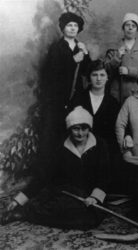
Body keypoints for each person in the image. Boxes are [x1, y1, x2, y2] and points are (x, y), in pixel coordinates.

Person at [0, 106, 110, 230]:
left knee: (90, 220)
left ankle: (33, 213)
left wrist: (94, 197)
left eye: (84, 128)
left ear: (89, 128)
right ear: (69, 129)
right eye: (76, 129)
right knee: (65, 207)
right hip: (70, 194)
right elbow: (43, 176)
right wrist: (19, 200)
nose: (80, 133)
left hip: (92, 195)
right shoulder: (61, 148)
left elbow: (104, 175)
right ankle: (23, 213)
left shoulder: (100, 145)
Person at [39, 12, 92, 167]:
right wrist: (72, 60)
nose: (73, 28)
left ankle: (68, 176)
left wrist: (86, 54)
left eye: (75, 26)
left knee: (72, 137)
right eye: (69, 25)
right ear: (63, 28)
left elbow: (87, 71)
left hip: (75, 100)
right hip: (57, 100)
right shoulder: (56, 48)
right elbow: (52, 74)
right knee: (53, 138)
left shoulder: (80, 47)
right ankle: (50, 176)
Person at [69, 60, 121, 191]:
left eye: (102, 75)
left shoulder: (113, 102)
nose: (98, 79)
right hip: (81, 146)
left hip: (105, 151)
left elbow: (115, 132)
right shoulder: (79, 98)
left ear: (108, 77)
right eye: (94, 75)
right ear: (88, 78)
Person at [104, 13, 138, 103]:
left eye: (133, 26)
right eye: (127, 25)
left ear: (137, 29)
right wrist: (117, 57)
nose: (130, 28)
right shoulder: (113, 47)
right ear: (123, 28)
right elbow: (106, 70)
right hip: (116, 94)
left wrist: (129, 71)